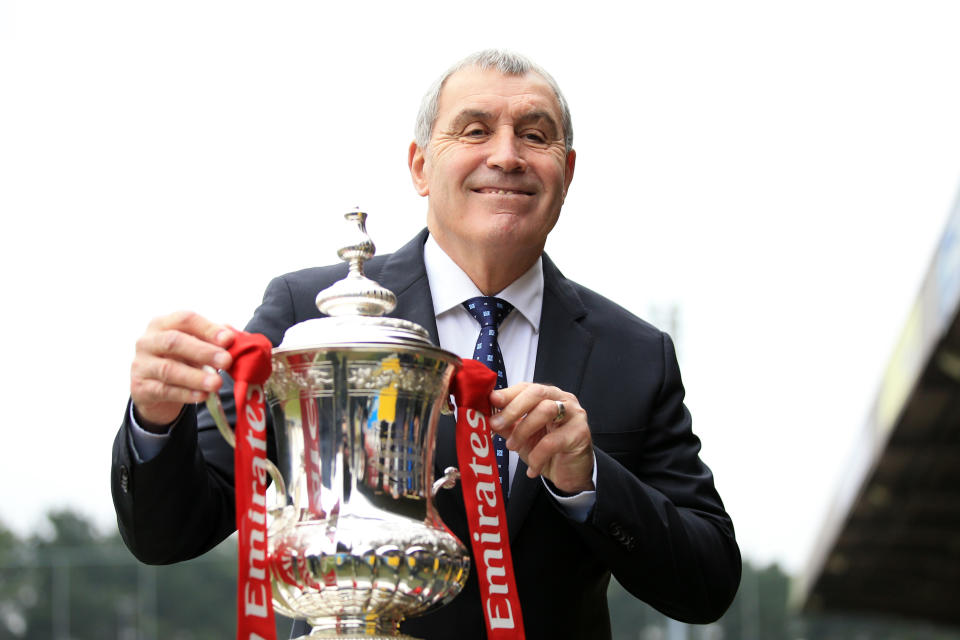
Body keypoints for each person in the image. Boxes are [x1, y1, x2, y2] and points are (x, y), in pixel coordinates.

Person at [112, 49, 740, 639]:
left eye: (535, 134)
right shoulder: (306, 316)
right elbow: (169, 533)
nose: (507, 155)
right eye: (474, 130)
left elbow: (708, 581)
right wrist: (156, 420)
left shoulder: (634, 354)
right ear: (419, 165)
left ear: (567, 172)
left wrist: (589, 480)